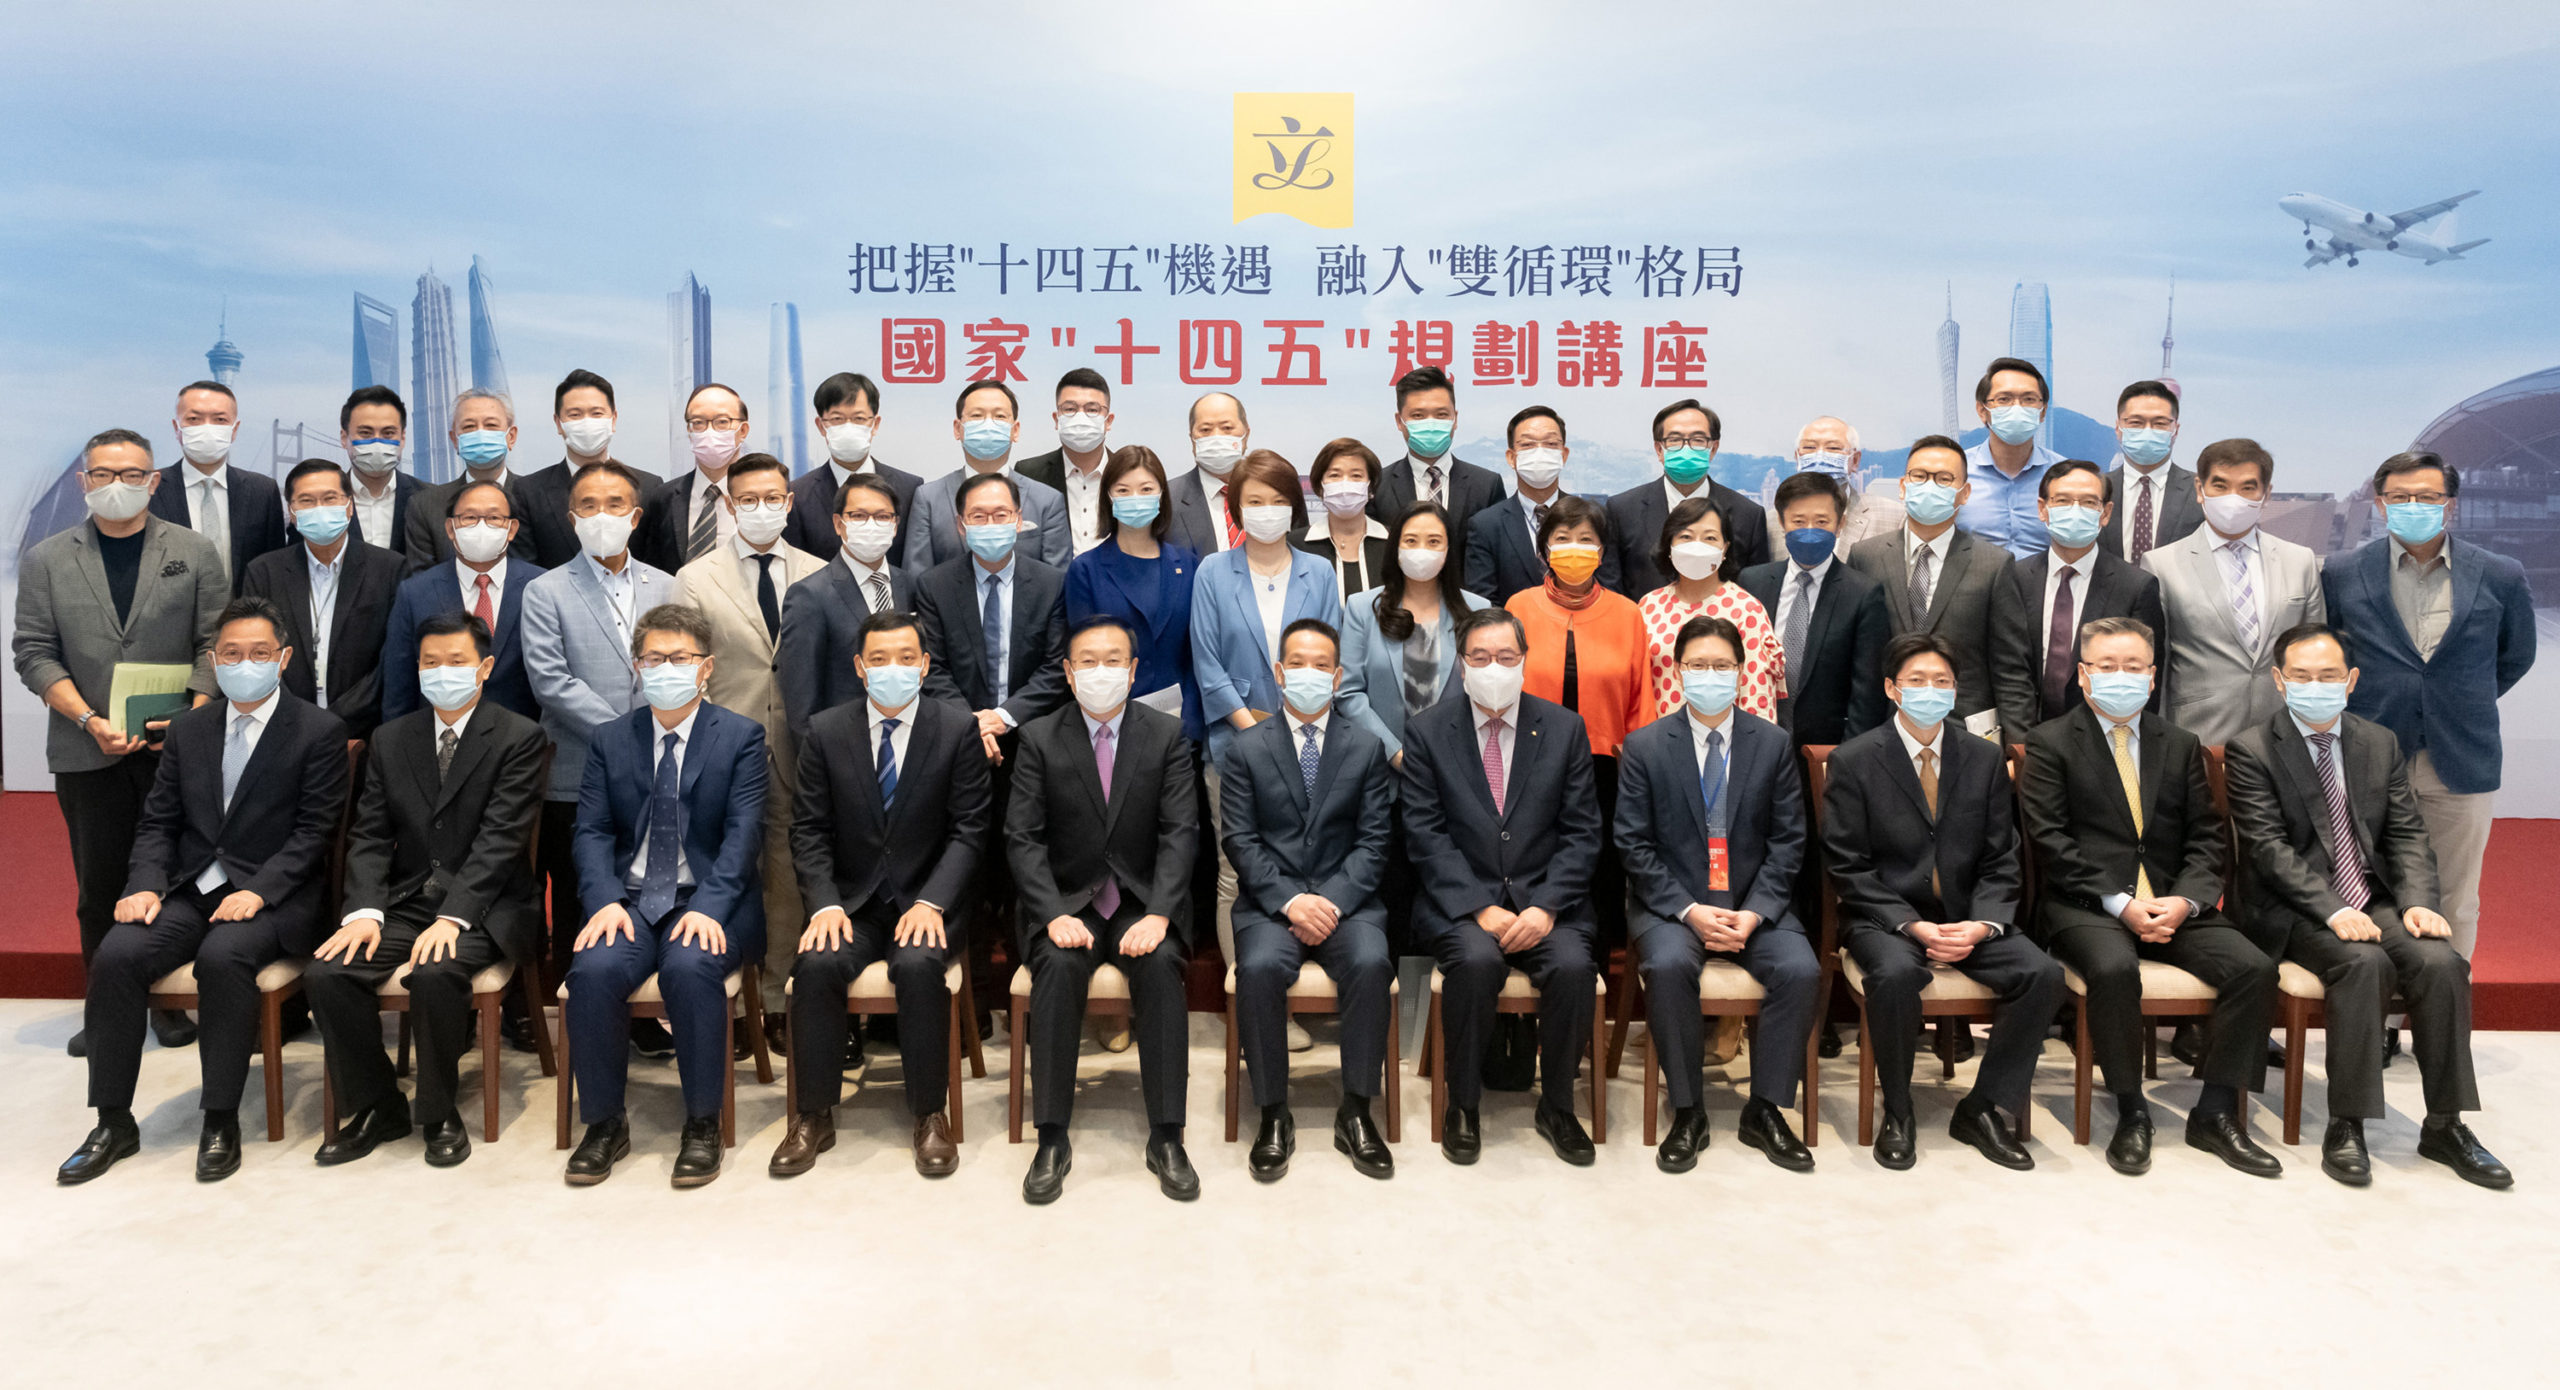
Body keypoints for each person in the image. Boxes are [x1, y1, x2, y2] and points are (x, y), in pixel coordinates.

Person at [56, 597, 350, 1185]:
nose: (245, 664)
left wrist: (260, 891)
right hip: (191, 889)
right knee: (117, 953)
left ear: (284, 658)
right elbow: (158, 822)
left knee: (223, 958)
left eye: (260, 653)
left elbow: (313, 833)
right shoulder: (189, 729)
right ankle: (113, 1121)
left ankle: (220, 1118)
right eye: (232, 654)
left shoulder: (319, 731)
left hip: (275, 896)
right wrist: (144, 885)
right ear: (213, 662)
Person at [2224, 622, 2509, 1188]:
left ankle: (2445, 1124)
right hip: (2295, 908)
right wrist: (2333, 911)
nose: (2315, 686)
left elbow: (2407, 834)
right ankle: (2347, 1123)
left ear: (2351, 680)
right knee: (2363, 963)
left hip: (2372, 898)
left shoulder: (2378, 743)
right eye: (2301, 676)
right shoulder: (2252, 748)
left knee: (2442, 962)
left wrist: (2418, 901)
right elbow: (2268, 850)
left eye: (2328, 676)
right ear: (2279, 681)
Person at [2018, 616, 2281, 1179]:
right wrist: (2121, 903)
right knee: (2115, 969)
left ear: (2153, 676)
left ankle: (2215, 1111)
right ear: (2083, 675)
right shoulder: (2050, 742)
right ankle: (2131, 1108)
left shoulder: (2179, 744)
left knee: (2254, 969)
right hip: (2087, 904)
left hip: (2171, 902)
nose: (2122, 677)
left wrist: (2185, 901)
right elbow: (2051, 841)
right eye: (2107, 666)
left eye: (2133, 667)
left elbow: (2206, 837)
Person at [302, 612, 547, 1168]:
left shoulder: (518, 736)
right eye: (430, 663)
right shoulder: (392, 739)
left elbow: (500, 842)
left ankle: (438, 1111)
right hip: (408, 900)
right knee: (328, 972)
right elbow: (369, 835)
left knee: (435, 971)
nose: (443, 672)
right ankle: (378, 1104)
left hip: (487, 906)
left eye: (457, 661)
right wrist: (364, 911)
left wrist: (453, 916)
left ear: (485, 667)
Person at [15, 429, 224, 1059]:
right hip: (88, 749)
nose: (117, 486)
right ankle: (106, 1008)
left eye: (132, 474)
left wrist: (191, 721)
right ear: (84, 482)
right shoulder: (47, 558)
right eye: (103, 474)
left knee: (173, 878)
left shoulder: (193, 550)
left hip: (173, 752)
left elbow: (214, 644)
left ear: (153, 481)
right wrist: (88, 719)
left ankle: (167, 1002)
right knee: (100, 885)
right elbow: (34, 653)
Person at [1823, 632, 2063, 1171]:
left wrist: (1983, 924)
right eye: (1917, 680)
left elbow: (2002, 857)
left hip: (1967, 917)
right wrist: (1910, 925)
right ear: (1892, 688)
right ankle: (1899, 1110)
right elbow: (1848, 865)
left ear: (1956, 691)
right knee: (1895, 976)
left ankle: (1982, 1108)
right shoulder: (1854, 760)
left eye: (1942, 681)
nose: (1930, 690)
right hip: (1886, 919)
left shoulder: (1983, 757)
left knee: (2042, 975)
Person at [773, 609, 990, 1179]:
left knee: (918, 966)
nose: (893, 668)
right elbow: (809, 830)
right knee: (817, 965)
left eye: (905, 657)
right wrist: (824, 903)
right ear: (859, 667)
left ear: (925, 664)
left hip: (927, 901)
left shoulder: (957, 728)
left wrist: (933, 901)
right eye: (879, 658)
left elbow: (970, 831)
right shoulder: (826, 731)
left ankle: (929, 1114)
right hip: (852, 903)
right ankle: (812, 1115)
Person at [561, 604, 768, 1188]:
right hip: (627, 902)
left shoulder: (741, 737)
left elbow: (743, 837)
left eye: (680, 658)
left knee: (690, 967)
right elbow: (592, 831)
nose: (666, 669)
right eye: (654, 659)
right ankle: (604, 1124)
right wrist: (604, 900)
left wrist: (708, 908)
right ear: (637, 666)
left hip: (707, 899)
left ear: (706, 667)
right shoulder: (610, 739)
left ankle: (702, 1123)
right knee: (594, 971)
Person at [1617, 614, 1823, 1172]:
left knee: (1800, 970)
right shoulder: (1645, 746)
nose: (1710, 675)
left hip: (1755, 903)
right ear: (1678, 670)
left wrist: (1755, 913)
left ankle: (1766, 1109)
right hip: (1674, 906)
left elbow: (1789, 842)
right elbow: (1633, 845)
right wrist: (1689, 910)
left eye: (1722, 666)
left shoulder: (1773, 743)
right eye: (1699, 665)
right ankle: (1688, 1110)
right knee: (1666, 967)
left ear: (1741, 670)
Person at [1401, 608, 1605, 1166]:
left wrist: (1546, 906)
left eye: (1506, 657)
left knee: (1571, 966)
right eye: (1481, 657)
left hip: (1547, 903)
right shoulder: (1428, 731)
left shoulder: (1564, 728)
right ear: (1462, 665)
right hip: (1462, 905)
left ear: (1524, 661)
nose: (1494, 667)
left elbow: (1583, 832)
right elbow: (1424, 834)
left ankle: (1557, 1105)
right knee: (1475, 963)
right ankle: (1463, 1104)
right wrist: (1478, 908)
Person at [1009, 617, 1202, 1204]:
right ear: (1068, 673)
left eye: (1113, 660)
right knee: (1058, 965)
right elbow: (1022, 837)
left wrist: (1161, 913)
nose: (1101, 672)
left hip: (1142, 902)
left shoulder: (1166, 735)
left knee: (1162, 965)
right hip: (1068, 902)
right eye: (1088, 661)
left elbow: (1180, 832)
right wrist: (1051, 914)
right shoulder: (1039, 737)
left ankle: (1167, 1136)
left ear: (1133, 670)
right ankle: (1051, 1137)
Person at [2323, 450, 2537, 961]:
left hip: (2460, 758)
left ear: (2450, 504)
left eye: (2427, 497)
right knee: (2367, 892)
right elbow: (2330, 654)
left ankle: (2446, 1006)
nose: (2413, 506)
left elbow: (2515, 657)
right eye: (2399, 497)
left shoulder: (2500, 574)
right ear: (2380, 503)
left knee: (2456, 898)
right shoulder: (2343, 572)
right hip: (2371, 755)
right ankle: (2378, 1005)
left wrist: (2455, 700)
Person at [1219, 618, 1398, 1182]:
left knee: (1371, 962)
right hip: (1272, 906)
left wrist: (1332, 902)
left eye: (1322, 666)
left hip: (1349, 903)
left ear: (1338, 677)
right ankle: (1274, 1112)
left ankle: (1356, 1110)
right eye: (1297, 663)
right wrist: (1291, 901)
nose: (1309, 674)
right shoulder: (1246, 749)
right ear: (1279, 672)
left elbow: (1374, 842)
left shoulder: (1366, 747)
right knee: (1258, 968)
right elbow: (1240, 841)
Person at [674, 452, 825, 1035]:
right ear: (731, 506)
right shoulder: (697, 577)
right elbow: (690, 667)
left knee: (788, 873)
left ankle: (780, 1000)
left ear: (789, 503)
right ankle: (732, 1007)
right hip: (723, 744)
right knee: (727, 870)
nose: (762, 508)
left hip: (800, 745)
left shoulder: (819, 571)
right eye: (748, 500)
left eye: (772, 498)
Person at [522, 461, 678, 992]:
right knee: (579, 896)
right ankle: (582, 1008)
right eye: (588, 506)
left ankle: (645, 1018)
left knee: (649, 893)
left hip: (659, 768)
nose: (602, 515)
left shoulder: (667, 586)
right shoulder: (545, 590)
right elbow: (551, 682)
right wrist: (627, 736)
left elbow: (679, 666)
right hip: (577, 772)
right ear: (572, 519)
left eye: (615, 505)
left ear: (635, 516)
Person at [1192, 449, 1345, 968]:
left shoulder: (1318, 571)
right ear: (1235, 507)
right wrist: (1255, 731)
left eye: (1277, 500)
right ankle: (1247, 990)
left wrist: (1293, 728)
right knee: (1234, 871)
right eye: (1253, 501)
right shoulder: (1213, 571)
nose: (1266, 511)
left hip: (1311, 744)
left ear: (1295, 507)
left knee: (1310, 866)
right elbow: (1207, 665)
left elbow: (1328, 657)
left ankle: (1298, 976)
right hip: (1233, 746)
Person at [2142, 438, 2324, 746]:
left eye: (2247, 487)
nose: (2233, 498)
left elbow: (2316, 655)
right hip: (2197, 735)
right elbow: (2156, 665)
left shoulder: (2300, 561)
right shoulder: (2161, 564)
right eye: (2221, 486)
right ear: (2200, 489)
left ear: (2266, 494)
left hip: (2285, 735)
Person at [1988, 457, 2167, 739]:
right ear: (2043, 509)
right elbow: (2009, 670)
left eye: (2088, 502)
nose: (2075, 510)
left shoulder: (2136, 586)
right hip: (2026, 738)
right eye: (2062, 501)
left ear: (2105, 513)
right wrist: (2025, 748)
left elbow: (2143, 682)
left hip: (2103, 741)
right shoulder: (2014, 577)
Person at [239, 458, 405, 740]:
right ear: (292, 512)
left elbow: (391, 658)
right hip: (283, 729)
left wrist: (336, 719)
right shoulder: (263, 572)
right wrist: (299, 717)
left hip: (364, 731)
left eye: (330, 499)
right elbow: (256, 652)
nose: (320, 509)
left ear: (350, 506)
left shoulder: (390, 569)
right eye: (306, 501)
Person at [1848, 435, 2005, 731]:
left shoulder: (1994, 564)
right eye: (1919, 476)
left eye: (1944, 479)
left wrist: (2017, 744)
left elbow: (2008, 664)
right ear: (1903, 486)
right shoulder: (1865, 556)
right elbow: (1855, 656)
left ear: (1965, 493)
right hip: (1882, 726)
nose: (1930, 485)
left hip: (1965, 727)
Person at [1739, 471, 1891, 746]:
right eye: (1798, 521)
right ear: (1782, 522)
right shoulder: (1752, 583)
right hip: (1756, 741)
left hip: (1826, 749)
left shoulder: (1863, 594)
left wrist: (1847, 756)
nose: (1810, 531)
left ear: (1840, 524)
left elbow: (1867, 693)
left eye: (1822, 522)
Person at [1064, 445, 1202, 741]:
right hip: (1111, 728)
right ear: (1108, 497)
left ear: (1162, 495)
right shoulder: (1085, 570)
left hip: (1182, 728)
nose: (1135, 498)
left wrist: (1188, 724)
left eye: (1146, 489)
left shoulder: (1188, 564)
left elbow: (1197, 655)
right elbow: (1084, 660)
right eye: (1123, 491)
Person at [379, 480, 544, 721]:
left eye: (494, 518)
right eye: (469, 518)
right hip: (437, 733)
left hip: (524, 735)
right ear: (450, 528)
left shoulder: (541, 586)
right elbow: (399, 684)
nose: (481, 527)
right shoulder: (415, 593)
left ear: (512, 528)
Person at [779, 473, 913, 737]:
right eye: (859, 516)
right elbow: (801, 705)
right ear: (839, 524)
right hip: (843, 746)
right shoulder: (809, 595)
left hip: (909, 743)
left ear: (895, 525)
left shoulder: (910, 585)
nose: (871, 525)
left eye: (882, 516)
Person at [1607, 398, 1772, 598]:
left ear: (1713, 448)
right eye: (1675, 440)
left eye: (1698, 440)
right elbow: (1611, 590)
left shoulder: (1748, 515)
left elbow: (1757, 588)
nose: (1686, 448)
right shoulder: (1622, 510)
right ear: (1659, 449)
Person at [1637, 496, 1783, 721]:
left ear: (1725, 548)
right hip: (1657, 736)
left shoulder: (1747, 610)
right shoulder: (1649, 606)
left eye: (1710, 538)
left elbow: (1757, 697)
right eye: (1686, 537)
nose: (1697, 546)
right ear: (1669, 544)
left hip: (1725, 738)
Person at [902, 380, 1073, 572]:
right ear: (958, 429)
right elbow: (917, 577)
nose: (988, 424)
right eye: (977, 416)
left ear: (1015, 430)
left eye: (999, 416)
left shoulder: (1047, 501)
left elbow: (1058, 579)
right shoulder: (928, 498)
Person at [512, 370, 666, 571]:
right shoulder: (528, 492)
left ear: (613, 419)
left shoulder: (649, 487)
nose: (586, 422)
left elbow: (655, 568)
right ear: (558, 423)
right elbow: (526, 571)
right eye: (575, 415)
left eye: (596, 413)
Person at [1464, 405, 1620, 604]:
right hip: (1512, 623)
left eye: (1551, 444)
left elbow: (1609, 590)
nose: (1540, 452)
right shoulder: (1485, 525)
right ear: (1511, 457)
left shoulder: (1594, 518)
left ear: (1564, 455)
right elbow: (1483, 602)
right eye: (1527, 444)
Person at [152, 379, 288, 591]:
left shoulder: (263, 491)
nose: (207, 428)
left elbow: (273, 568)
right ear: (177, 428)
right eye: (194, 419)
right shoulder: (150, 488)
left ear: (234, 429)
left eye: (220, 420)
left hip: (244, 610)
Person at [1368, 366, 1504, 573]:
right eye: (1418, 416)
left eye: (1441, 415)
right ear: (1399, 421)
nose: (1431, 424)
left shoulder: (1487, 486)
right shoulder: (1378, 485)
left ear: (1455, 419)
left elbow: (1496, 557)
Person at [785, 371, 923, 564]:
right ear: (821, 426)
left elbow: (914, 562)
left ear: (875, 424)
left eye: (859, 419)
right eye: (837, 419)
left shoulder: (910, 489)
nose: (848, 428)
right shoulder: (799, 495)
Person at [404, 390, 534, 571]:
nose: (480, 433)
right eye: (469, 427)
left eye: (491, 425)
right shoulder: (425, 506)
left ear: (511, 436)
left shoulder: (536, 498)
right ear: (455, 439)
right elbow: (422, 580)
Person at [634, 382, 756, 574]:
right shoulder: (662, 498)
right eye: (698, 423)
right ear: (689, 431)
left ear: (743, 431)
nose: (709, 431)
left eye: (722, 422)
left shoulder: (769, 499)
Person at [1958, 357, 2064, 559]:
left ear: (2042, 412)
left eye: (2029, 399)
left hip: (2043, 579)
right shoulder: (1957, 471)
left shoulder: (2064, 475)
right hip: (1974, 578)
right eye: (2004, 399)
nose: (2017, 408)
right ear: (1982, 410)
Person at [1762, 415, 1903, 551]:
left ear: (1855, 460)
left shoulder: (1893, 517)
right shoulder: (1770, 522)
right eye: (1809, 447)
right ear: (1797, 457)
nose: (1820, 456)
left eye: (1833, 448)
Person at [1016, 367, 1117, 555]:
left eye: (1092, 410)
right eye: (1070, 409)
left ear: (1108, 421)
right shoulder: (1029, 473)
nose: (1081, 417)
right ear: (1056, 419)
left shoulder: (1126, 472)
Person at [2099, 380, 2200, 566]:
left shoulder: (2201, 491)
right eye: (2136, 423)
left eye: (2159, 423)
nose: (2147, 431)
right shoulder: (2096, 490)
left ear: (2175, 430)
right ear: (2118, 428)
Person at [1296, 437, 1393, 599]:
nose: (1344, 484)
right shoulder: (1295, 546)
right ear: (1320, 486)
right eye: (1335, 475)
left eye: (1356, 475)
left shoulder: (1394, 542)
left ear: (1370, 486)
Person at [338, 385, 424, 553]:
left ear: (403, 438)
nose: (377, 442)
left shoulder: (430, 500)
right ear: (344, 437)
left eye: (388, 433)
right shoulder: (319, 503)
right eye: (365, 433)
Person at [1168, 391, 1250, 557]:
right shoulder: (1167, 500)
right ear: (1192, 439)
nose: (1216, 437)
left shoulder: (1277, 494)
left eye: (1227, 428)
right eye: (1205, 430)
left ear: (1246, 435)